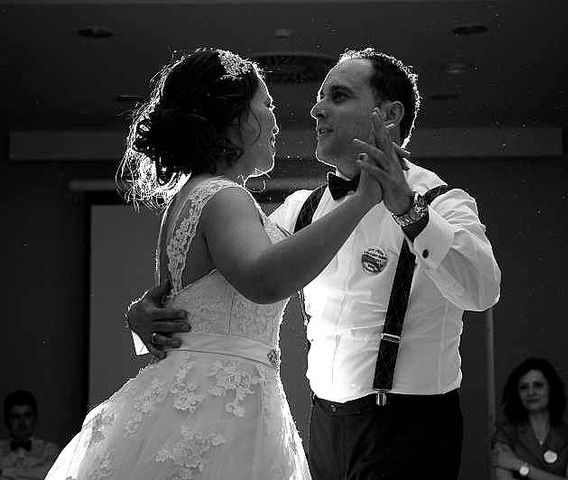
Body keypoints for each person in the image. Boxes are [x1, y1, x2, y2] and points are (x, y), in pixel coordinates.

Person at [128, 47, 501, 479]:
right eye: (320, 96)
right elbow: (224, 271)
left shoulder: (442, 201)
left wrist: (410, 213)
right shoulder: (300, 210)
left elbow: (483, 290)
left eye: (338, 97)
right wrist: (145, 315)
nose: (316, 109)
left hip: (410, 428)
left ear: (389, 114)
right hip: (322, 428)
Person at [45, 47, 397, 480]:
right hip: (218, 409)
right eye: (265, 105)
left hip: (209, 392)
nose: (276, 119)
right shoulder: (224, 196)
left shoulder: (198, 195)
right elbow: (264, 279)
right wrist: (363, 201)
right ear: (233, 118)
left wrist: (139, 313)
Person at [492, 357, 568, 480]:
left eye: (538, 385)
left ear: (551, 388)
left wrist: (520, 466)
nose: (531, 392)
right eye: (524, 387)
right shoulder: (505, 433)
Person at [0, 390, 59, 480]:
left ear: (35, 418)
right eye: (15, 417)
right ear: (7, 419)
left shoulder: (50, 450)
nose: (22, 423)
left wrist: (3, 471)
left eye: (27, 415)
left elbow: (55, 476)